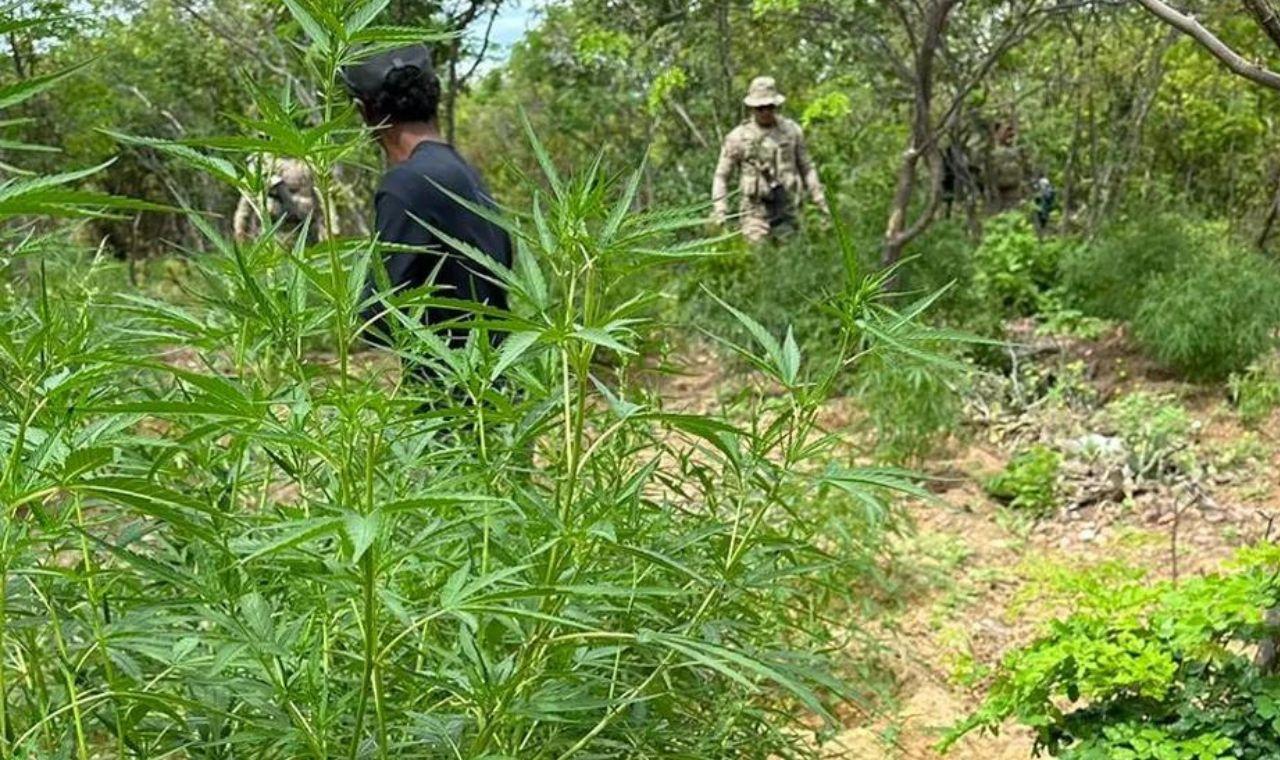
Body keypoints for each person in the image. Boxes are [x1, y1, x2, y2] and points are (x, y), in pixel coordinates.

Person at [340, 45, 512, 367]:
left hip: (448, 400)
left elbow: (378, 316)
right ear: (436, 95)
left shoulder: (406, 184)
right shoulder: (466, 174)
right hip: (492, 387)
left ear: (363, 111)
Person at [712, 76, 830, 243]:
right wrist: (720, 209)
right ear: (752, 108)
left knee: (792, 255)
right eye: (760, 108)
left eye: (769, 107)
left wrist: (820, 200)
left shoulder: (791, 131)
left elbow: (807, 167)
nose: (766, 112)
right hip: (754, 212)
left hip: (789, 208)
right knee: (759, 254)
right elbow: (721, 176)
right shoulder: (737, 137)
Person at [233, 156, 327, 244]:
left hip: (305, 228)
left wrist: (328, 227)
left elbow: (321, 198)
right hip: (272, 229)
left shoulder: (309, 161)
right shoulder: (262, 161)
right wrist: (240, 228)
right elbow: (247, 200)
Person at [987, 121, 1029, 214]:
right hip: (997, 196)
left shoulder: (1017, 152)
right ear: (997, 133)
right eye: (1007, 130)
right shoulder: (991, 153)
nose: (1011, 134)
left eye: (1012, 130)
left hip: (1015, 195)